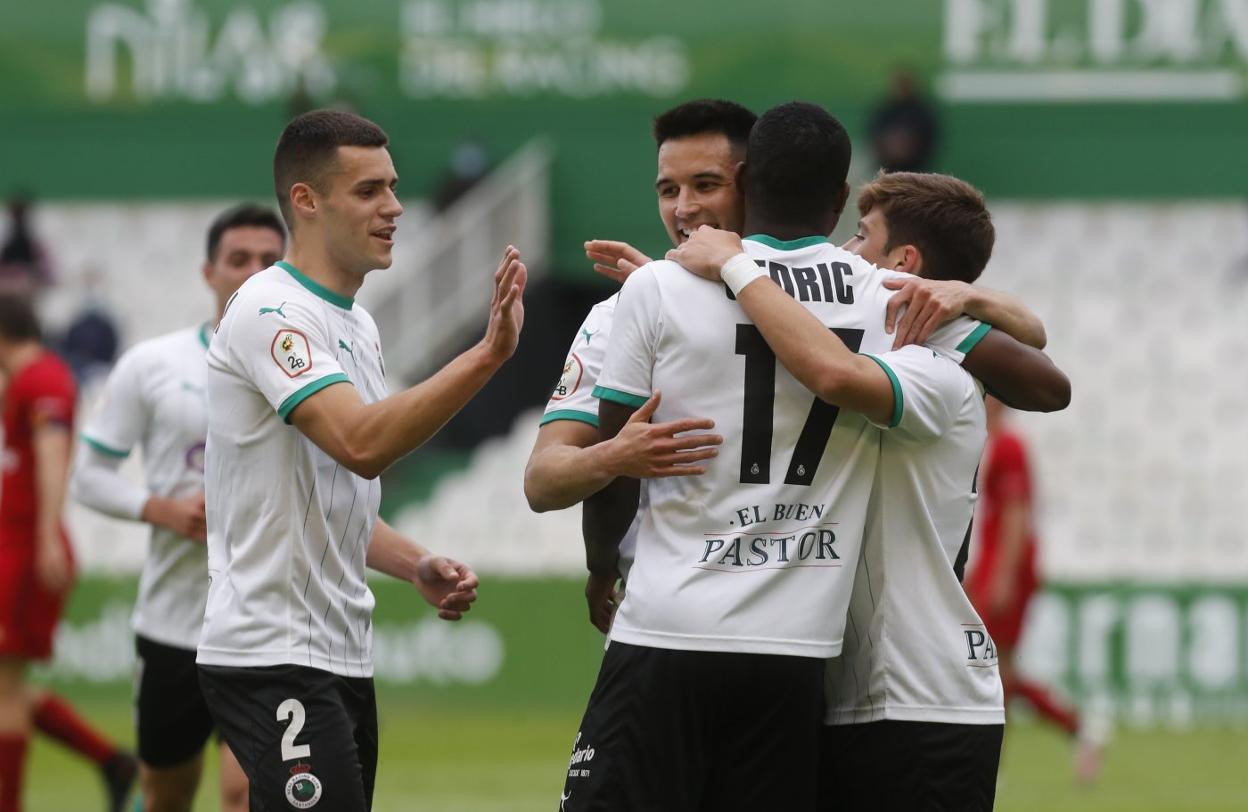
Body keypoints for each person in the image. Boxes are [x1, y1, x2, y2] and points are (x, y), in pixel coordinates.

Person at [561, 101, 1009, 811]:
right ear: (838, 199)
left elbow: (616, 457)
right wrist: (986, 302)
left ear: (744, 180)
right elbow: (1041, 380)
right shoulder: (887, 297)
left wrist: (599, 569)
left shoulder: (660, 286)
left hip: (670, 626)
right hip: (798, 651)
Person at [672, 171, 1070, 810]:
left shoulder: (932, 361)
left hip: (921, 693)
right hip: (847, 692)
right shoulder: (865, 338)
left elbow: (1049, 381)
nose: (845, 251)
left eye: (861, 236)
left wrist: (737, 266)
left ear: (905, 264)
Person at [194, 109, 521, 812]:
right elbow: (364, 444)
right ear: (307, 201)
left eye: (394, 187)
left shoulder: (357, 323)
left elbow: (324, 493)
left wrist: (415, 564)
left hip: (336, 650)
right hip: (272, 650)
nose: (395, 207)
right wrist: (487, 357)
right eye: (369, 190)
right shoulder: (269, 310)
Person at [71, 204, 288, 812]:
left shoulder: (307, 367)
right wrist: (161, 509)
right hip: (174, 626)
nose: (252, 271)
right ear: (208, 271)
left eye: (270, 260)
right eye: (238, 259)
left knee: (247, 791)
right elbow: (88, 476)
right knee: (166, 795)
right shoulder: (154, 364)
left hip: (265, 622)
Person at [524, 99, 751, 629]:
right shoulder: (619, 315)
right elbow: (541, 481)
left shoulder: (812, 307)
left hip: (789, 630)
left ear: (750, 184)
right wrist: (613, 457)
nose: (683, 208)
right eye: (669, 190)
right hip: (664, 617)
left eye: (706, 185)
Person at [0, 296, 138, 812]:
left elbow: (52, 460)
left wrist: (44, 540)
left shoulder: (43, 380)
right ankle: (110, 761)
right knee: (7, 688)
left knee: (5, 689)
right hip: (14, 548)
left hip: (22, 553)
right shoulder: (26, 382)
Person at [967, 396, 1103, 783]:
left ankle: (1079, 729)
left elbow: (1015, 514)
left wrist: (1003, 578)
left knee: (994, 669)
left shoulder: (1009, 446)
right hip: (992, 568)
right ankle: (1002, 758)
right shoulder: (992, 443)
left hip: (1005, 570)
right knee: (993, 669)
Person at [868, 67, 940, 173]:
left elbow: (929, 137)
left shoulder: (921, 112)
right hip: (889, 169)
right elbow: (875, 134)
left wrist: (911, 146)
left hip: (917, 168)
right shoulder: (887, 110)